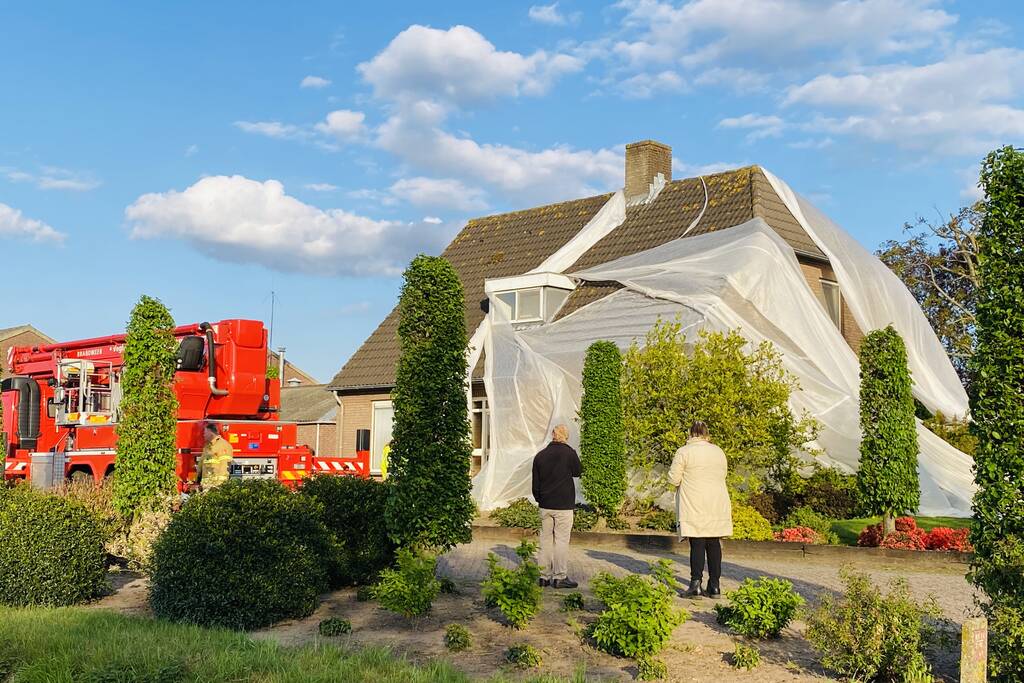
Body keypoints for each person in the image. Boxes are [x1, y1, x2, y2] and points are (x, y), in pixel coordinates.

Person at [668, 421, 732, 598]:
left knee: (697, 542)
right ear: (707, 434)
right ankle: (715, 585)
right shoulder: (718, 451)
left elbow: (674, 478)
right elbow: (723, 474)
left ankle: (695, 584)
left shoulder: (684, 452)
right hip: (717, 502)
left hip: (694, 502)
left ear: (690, 434)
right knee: (713, 542)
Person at [531, 424, 582, 589]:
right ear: (566, 436)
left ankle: (543, 577)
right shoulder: (569, 453)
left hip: (545, 505)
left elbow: (535, 484)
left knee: (545, 541)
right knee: (561, 541)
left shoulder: (540, 456)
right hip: (564, 505)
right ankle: (560, 577)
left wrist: (540, 499)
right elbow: (578, 472)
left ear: (552, 435)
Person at [196, 422, 233, 490]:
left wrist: (219, 486)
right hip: (206, 486)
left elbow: (224, 467)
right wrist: (197, 481)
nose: (203, 435)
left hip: (216, 486)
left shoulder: (223, 445)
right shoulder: (207, 447)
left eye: (205, 433)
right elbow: (201, 464)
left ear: (210, 433)